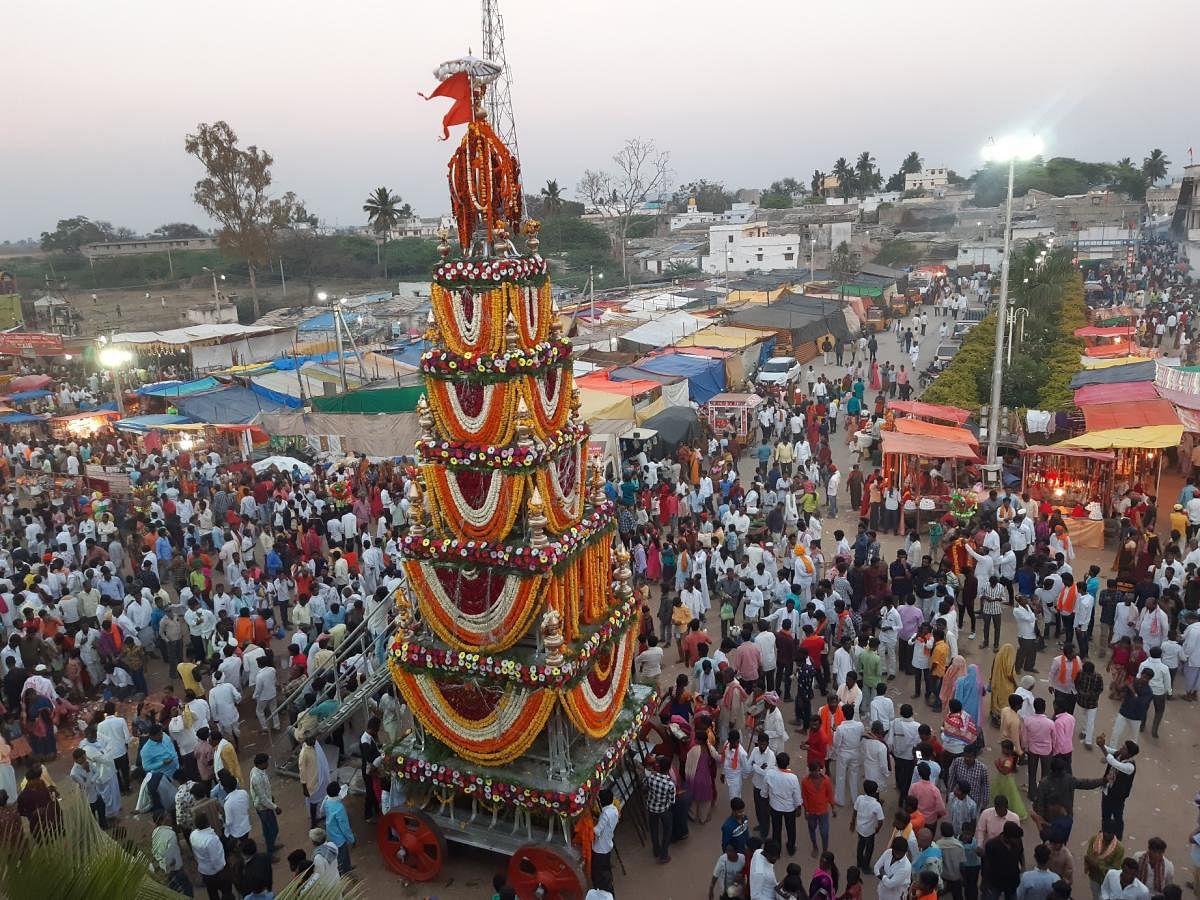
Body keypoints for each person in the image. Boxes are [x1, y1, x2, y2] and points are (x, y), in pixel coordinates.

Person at [764, 750, 802, 856]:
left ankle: (777, 851)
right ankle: (790, 848)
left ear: (776, 762)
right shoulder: (792, 778)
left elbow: (764, 791)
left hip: (775, 807)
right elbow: (797, 796)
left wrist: (766, 799)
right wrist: (798, 807)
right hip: (789, 809)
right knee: (791, 829)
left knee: (776, 830)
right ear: (788, 763)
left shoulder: (770, 774)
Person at [190, 811, 233, 900]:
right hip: (217, 872)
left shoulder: (193, 835)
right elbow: (216, 860)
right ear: (207, 823)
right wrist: (222, 872)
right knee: (227, 893)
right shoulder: (211, 840)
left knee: (213, 894)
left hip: (205, 872)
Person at [981, 820, 1024, 899]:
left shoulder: (1018, 841)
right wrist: (985, 883)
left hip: (1012, 881)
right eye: (1014, 838)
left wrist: (1023, 867)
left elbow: (1021, 854)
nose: (1017, 840)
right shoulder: (992, 845)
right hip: (996, 881)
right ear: (1007, 836)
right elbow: (987, 865)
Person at [850, 779, 885, 873]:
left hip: (860, 828)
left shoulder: (860, 798)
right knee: (869, 849)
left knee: (860, 845)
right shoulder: (876, 805)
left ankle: (859, 863)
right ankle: (865, 867)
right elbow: (881, 820)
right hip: (870, 831)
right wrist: (877, 829)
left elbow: (855, 811)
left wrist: (852, 823)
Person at [802, 760, 835, 857]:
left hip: (823, 811)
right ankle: (815, 847)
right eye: (814, 771)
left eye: (818, 771)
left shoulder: (826, 781)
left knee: (824, 832)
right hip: (811, 812)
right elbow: (804, 797)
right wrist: (806, 811)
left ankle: (825, 850)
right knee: (812, 830)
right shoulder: (805, 782)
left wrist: (833, 808)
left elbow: (830, 795)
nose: (816, 773)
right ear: (810, 771)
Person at [1084, 826, 1126, 899]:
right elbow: (1089, 856)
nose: (1107, 835)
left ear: (1114, 834)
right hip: (1094, 877)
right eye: (1106, 832)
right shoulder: (1094, 839)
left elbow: (1115, 868)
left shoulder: (1119, 848)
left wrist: (1098, 866)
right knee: (1096, 896)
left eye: (1110, 833)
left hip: (1108, 880)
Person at [322, 782, 355, 873]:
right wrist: (351, 839)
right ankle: (343, 873)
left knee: (344, 854)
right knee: (341, 856)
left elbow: (322, 810)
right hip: (339, 838)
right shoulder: (339, 808)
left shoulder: (327, 800)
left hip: (330, 833)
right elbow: (345, 827)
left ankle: (347, 867)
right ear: (337, 792)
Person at [592, 787, 619, 890]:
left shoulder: (605, 814)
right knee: (605, 868)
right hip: (608, 844)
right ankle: (608, 885)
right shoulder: (614, 810)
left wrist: (591, 825)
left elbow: (597, 831)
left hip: (600, 847)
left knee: (599, 872)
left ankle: (604, 889)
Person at [873, 835, 913, 900]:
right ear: (893, 849)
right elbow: (876, 868)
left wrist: (882, 874)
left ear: (905, 852)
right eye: (896, 852)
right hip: (882, 891)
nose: (898, 855)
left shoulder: (906, 867)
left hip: (896, 896)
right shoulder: (888, 852)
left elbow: (890, 884)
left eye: (901, 853)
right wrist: (885, 878)